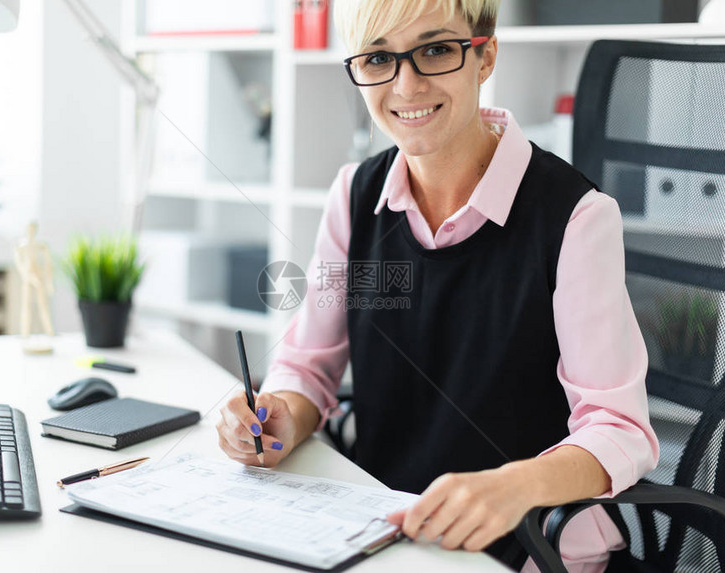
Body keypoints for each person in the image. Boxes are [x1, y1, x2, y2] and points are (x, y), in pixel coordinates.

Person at [216, 1, 659, 571]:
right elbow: (308, 366)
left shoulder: (574, 216)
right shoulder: (355, 196)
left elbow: (619, 428)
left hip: (534, 546)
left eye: (434, 50)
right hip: (383, 530)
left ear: (484, 56)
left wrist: (513, 487)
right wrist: (277, 417)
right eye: (379, 58)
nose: (406, 84)